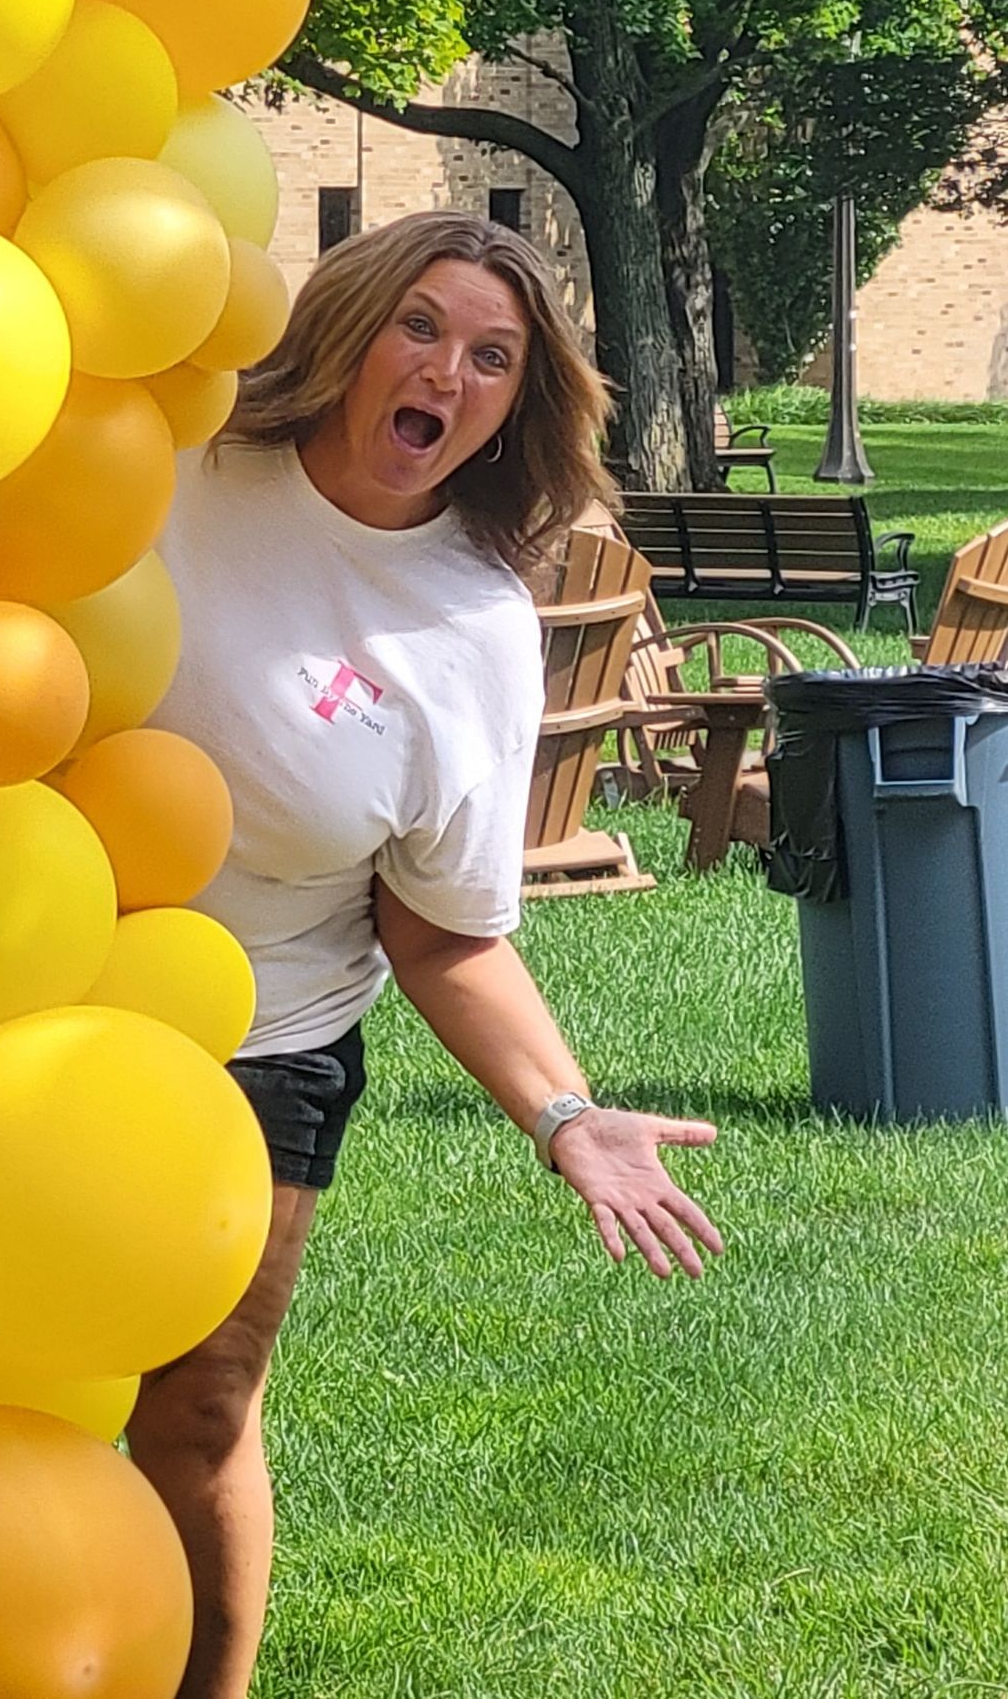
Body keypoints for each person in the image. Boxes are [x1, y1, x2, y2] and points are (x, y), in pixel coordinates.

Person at [125, 211, 724, 1699]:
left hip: (260, 1043)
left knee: (195, 1413)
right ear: (345, 329)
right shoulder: (172, 468)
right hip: (3, 984)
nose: (446, 371)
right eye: (420, 326)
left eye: (492, 357)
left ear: (519, 401)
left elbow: (444, 928)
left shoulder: (473, 627)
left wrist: (571, 1118)